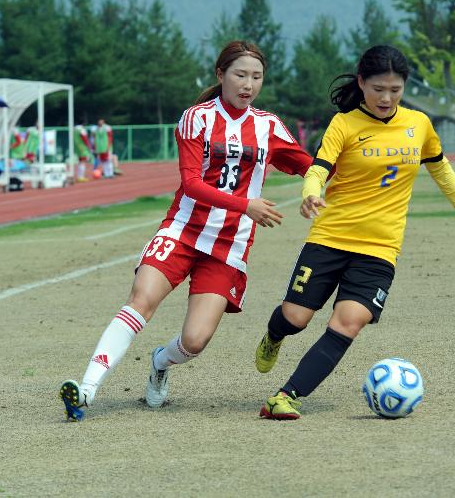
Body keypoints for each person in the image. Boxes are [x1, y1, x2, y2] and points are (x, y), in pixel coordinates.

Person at [59, 40, 314, 421]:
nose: (248, 84)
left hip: (228, 247)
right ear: (220, 75)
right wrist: (246, 205)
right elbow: (192, 184)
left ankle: (160, 362)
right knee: (141, 298)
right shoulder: (196, 118)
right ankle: (87, 389)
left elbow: (311, 165)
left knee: (195, 341)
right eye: (240, 74)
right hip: (183, 230)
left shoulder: (268, 127)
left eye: (256, 77)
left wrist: (348, 174)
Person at [254, 45, 455, 420]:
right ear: (362, 82)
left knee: (349, 321)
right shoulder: (345, 123)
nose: (387, 98)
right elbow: (318, 168)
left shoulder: (419, 125)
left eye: (396, 90)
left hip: (380, 248)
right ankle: (274, 335)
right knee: (296, 317)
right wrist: (310, 193)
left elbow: (441, 169)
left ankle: (286, 396)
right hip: (329, 239)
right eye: (379, 88)